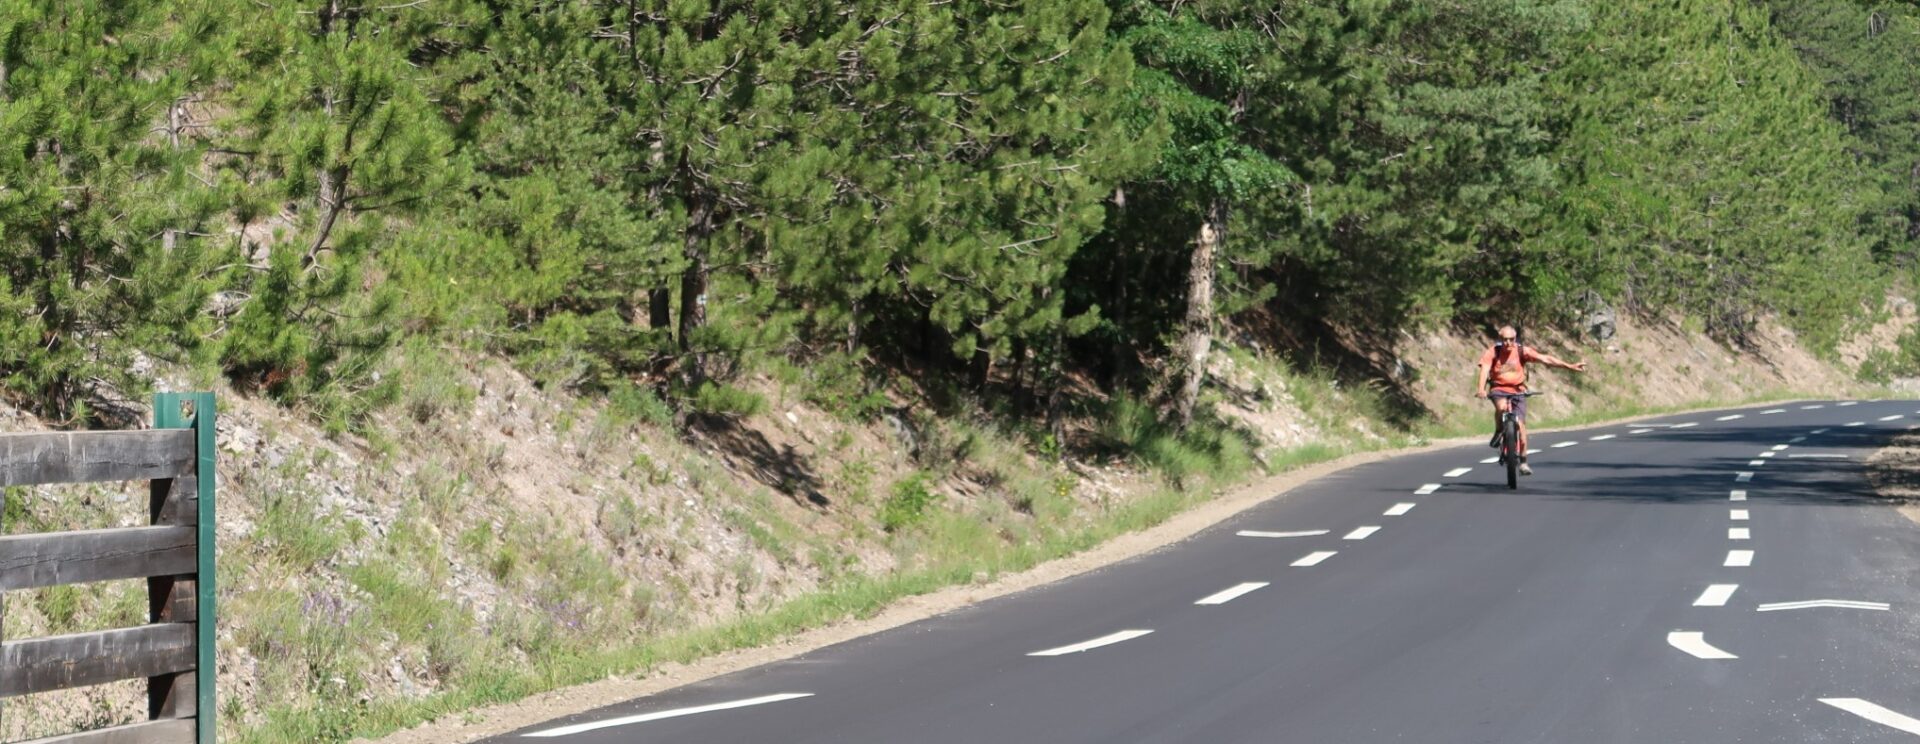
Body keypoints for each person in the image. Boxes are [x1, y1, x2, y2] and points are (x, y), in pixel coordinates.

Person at [1475, 324, 1586, 475]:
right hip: (1498, 389)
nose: (1508, 343)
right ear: (1500, 339)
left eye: (1511, 339)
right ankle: (1499, 430)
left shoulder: (1522, 351)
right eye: (1505, 339)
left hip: (1518, 390)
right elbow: (1485, 370)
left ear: (1515, 338)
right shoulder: (1493, 352)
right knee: (1501, 407)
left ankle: (1523, 462)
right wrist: (1481, 389)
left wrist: (1569, 366)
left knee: (1521, 428)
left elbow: (1545, 359)